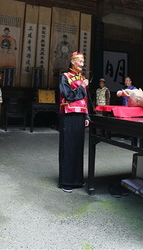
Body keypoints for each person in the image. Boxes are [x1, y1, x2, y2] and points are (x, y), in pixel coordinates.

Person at [58, 52, 90, 193]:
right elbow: (68, 95)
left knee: (78, 147)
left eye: (83, 60)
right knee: (68, 147)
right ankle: (66, 181)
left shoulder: (82, 78)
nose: (82, 63)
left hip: (80, 115)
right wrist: (82, 86)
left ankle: (77, 179)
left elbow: (85, 100)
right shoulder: (65, 77)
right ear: (73, 62)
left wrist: (87, 116)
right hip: (69, 114)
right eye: (80, 60)